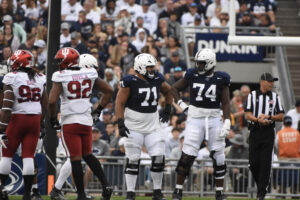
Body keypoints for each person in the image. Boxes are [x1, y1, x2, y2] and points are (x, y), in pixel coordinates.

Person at [48, 49, 114, 200]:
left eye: (60, 60)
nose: (58, 64)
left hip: (70, 121)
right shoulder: (89, 73)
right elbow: (109, 91)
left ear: (66, 61)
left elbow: (52, 101)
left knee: (75, 159)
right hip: (86, 121)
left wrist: (52, 118)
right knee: (88, 155)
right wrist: (98, 110)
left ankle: (81, 195)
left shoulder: (60, 75)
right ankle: (106, 185)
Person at [171, 48, 231, 200]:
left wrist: (228, 120)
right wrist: (182, 105)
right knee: (187, 155)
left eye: (202, 63)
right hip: (195, 118)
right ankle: (178, 191)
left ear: (210, 63)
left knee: (219, 156)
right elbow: (174, 88)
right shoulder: (192, 75)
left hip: (214, 118)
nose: (199, 66)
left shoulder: (221, 78)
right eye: (198, 63)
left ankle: (219, 192)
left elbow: (225, 102)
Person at [115, 53, 173, 200]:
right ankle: (130, 193)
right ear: (140, 67)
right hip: (133, 124)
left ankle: (157, 192)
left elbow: (169, 90)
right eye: (149, 67)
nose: (152, 70)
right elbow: (119, 103)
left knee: (159, 157)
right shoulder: (130, 81)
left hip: (152, 124)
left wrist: (167, 108)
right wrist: (120, 122)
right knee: (133, 159)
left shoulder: (158, 78)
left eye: (153, 66)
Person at [0, 49, 47, 200]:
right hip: (35, 119)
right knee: (28, 157)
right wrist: (41, 123)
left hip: (17, 119)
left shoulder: (12, 77)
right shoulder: (39, 77)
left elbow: (7, 106)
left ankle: (1, 190)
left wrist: (2, 128)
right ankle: (28, 194)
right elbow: (44, 105)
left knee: (7, 156)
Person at [245, 72, 284, 200]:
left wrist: (269, 117)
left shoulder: (275, 97)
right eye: (270, 81)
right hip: (255, 130)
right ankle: (261, 186)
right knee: (253, 163)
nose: (272, 84)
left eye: (273, 81)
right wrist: (258, 120)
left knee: (265, 163)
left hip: (268, 132)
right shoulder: (252, 95)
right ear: (262, 81)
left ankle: (261, 194)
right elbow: (248, 114)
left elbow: (281, 116)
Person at [275, 116, 300, 195]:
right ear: (291, 123)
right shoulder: (297, 133)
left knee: (283, 176)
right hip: (295, 159)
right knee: (295, 177)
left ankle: (282, 191)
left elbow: (276, 145)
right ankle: (295, 191)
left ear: (283, 123)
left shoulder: (280, 133)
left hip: (283, 159)